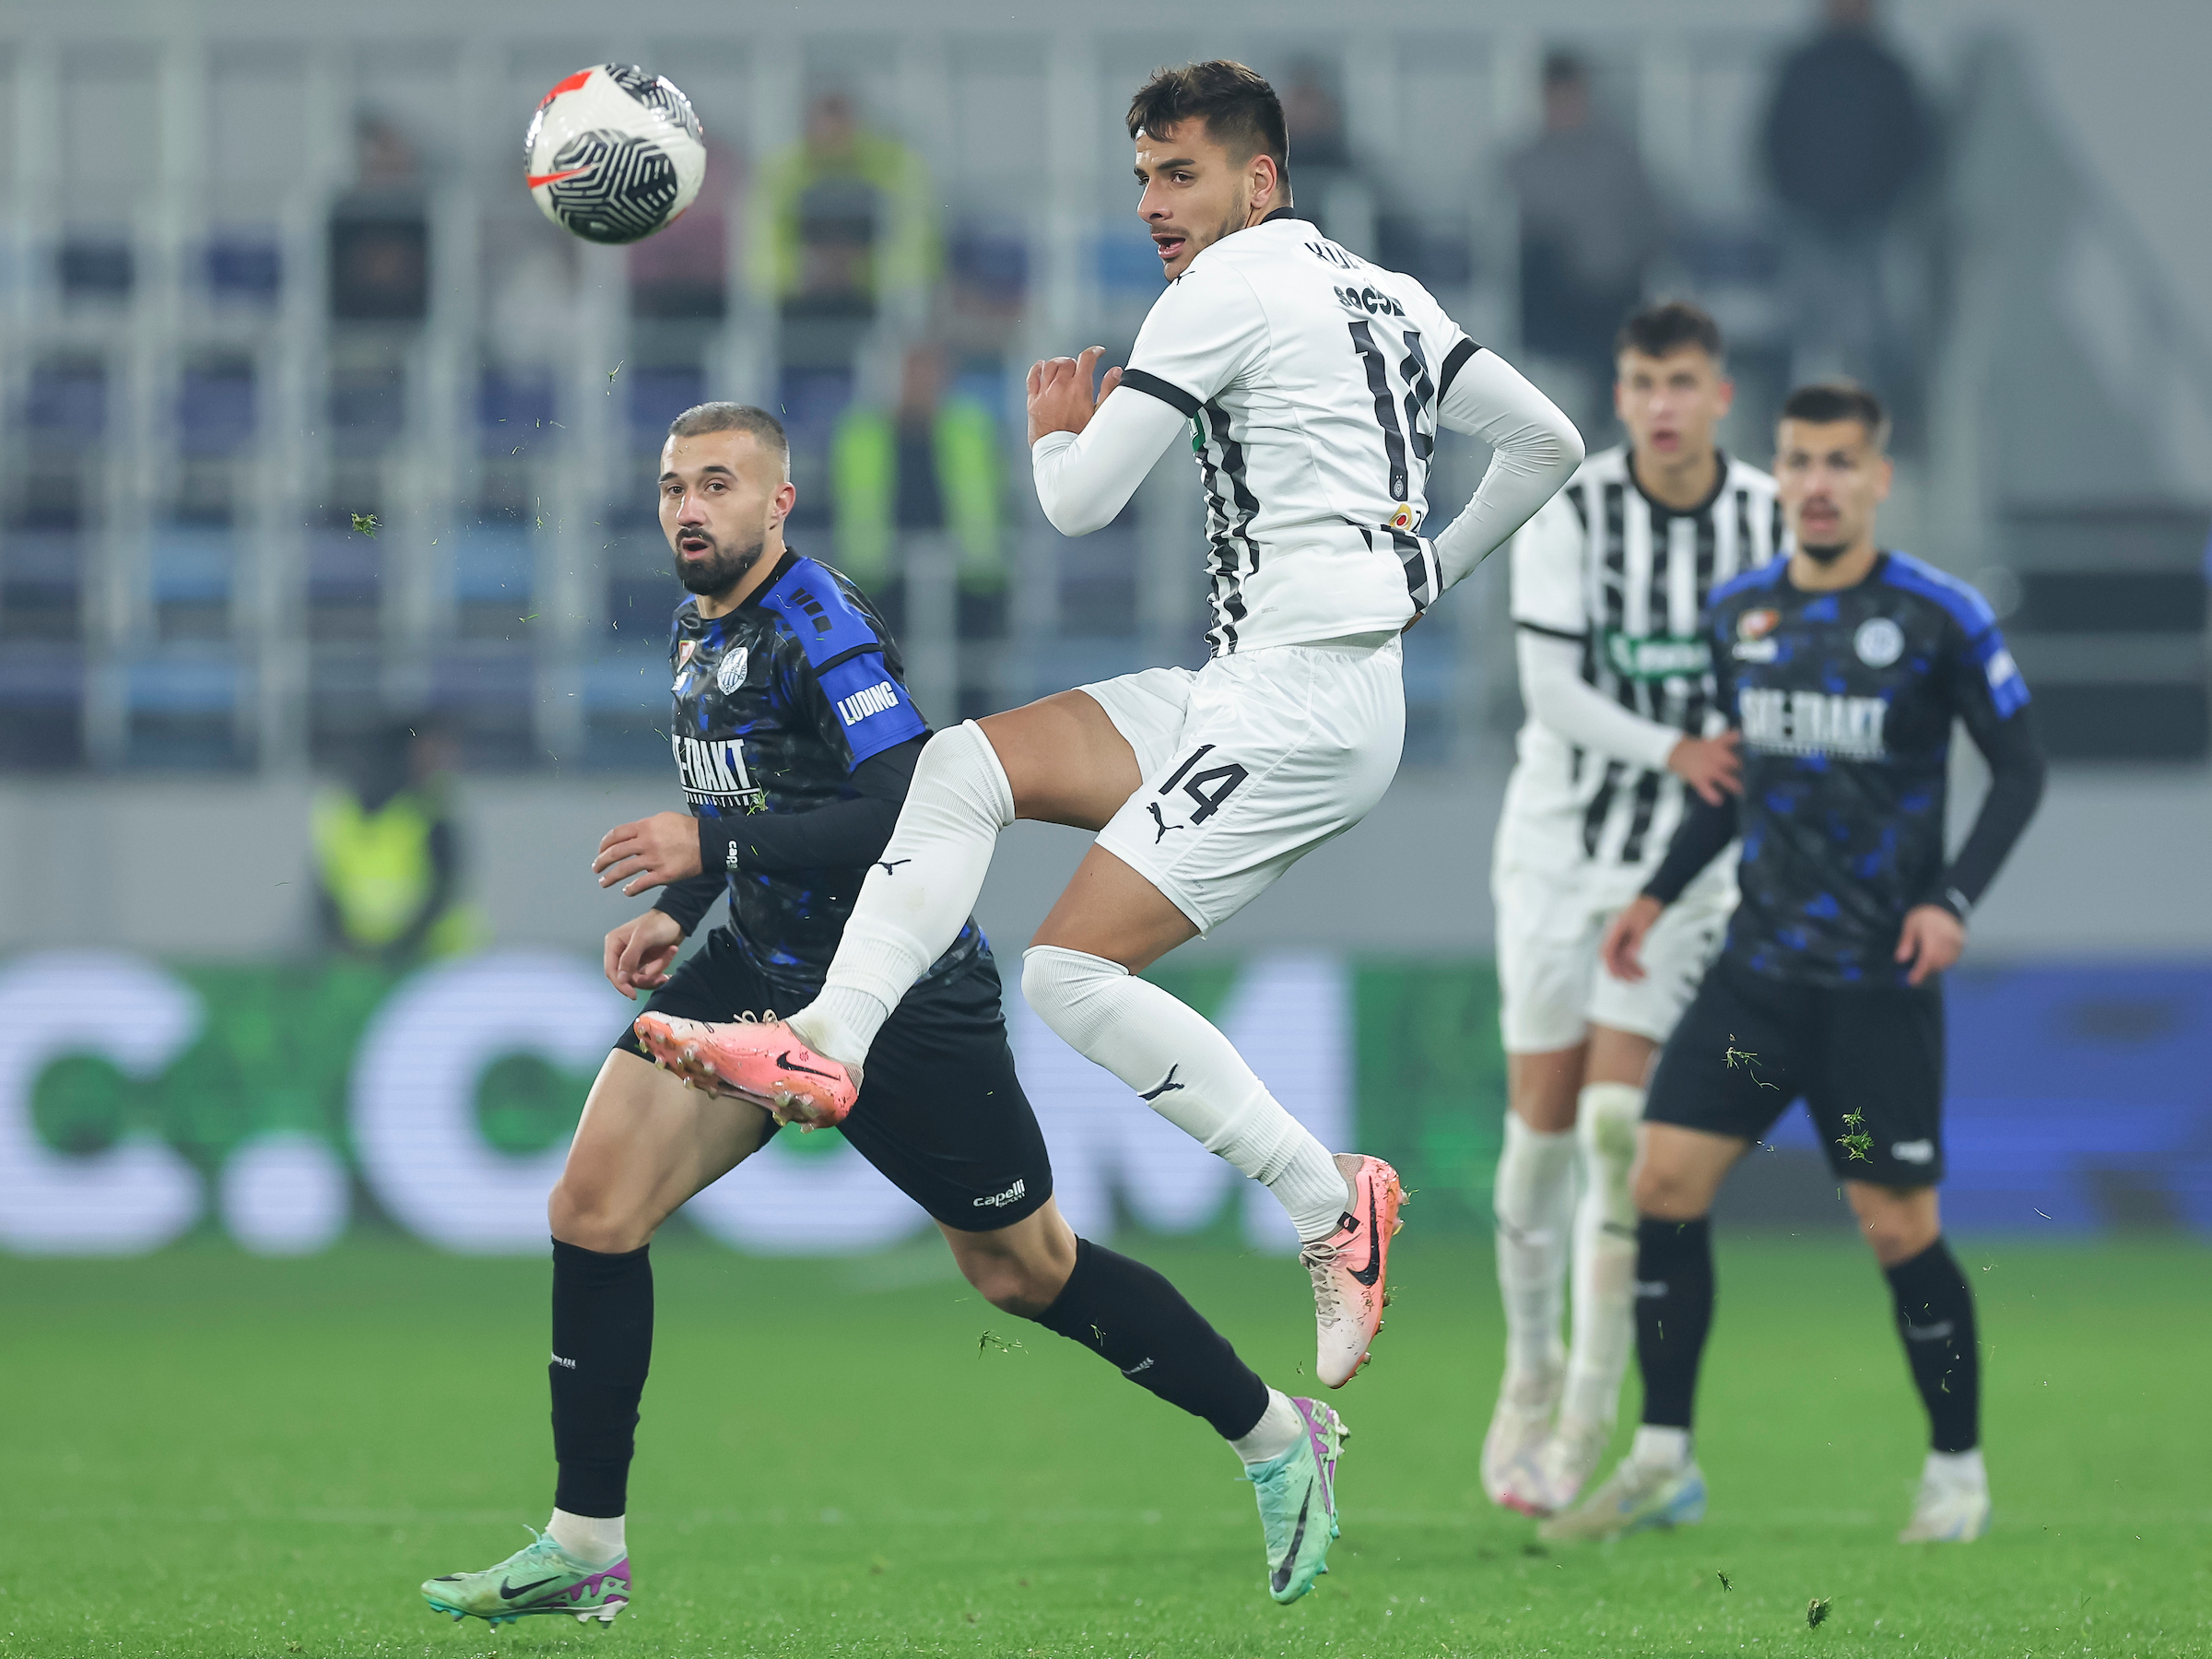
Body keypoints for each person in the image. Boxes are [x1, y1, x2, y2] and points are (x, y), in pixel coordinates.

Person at [630, 61, 1583, 1388]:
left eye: (1181, 174)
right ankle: (830, 1042)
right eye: (1143, 176)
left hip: (1299, 713)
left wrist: (1050, 436)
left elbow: (1080, 505)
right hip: (1256, 682)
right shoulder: (1391, 293)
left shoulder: (1222, 291)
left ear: (1260, 181)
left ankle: (1328, 1200)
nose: (1152, 203)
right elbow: (1548, 443)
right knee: (961, 767)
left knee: (1068, 977)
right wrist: (1425, 578)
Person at [420, 404, 1354, 1626]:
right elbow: (755, 794)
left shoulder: (820, 624)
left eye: (717, 484)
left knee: (1024, 1271)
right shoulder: (699, 625)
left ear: (778, 502)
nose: (689, 509)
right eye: (673, 487)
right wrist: (687, 905)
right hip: (756, 967)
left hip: (896, 995)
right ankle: (585, 1546)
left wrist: (708, 846)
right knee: (591, 1210)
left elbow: (904, 804)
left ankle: (1277, 1434)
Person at [1540, 382, 2045, 1546]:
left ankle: (1956, 1475)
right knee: (1660, 1184)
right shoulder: (1741, 616)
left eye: (1840, 463)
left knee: (1896, 1228)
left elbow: (2022, 770)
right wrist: (1656, 895)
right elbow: (1733, 787)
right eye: (1801, 461)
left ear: (1878, 479)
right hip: (1755, 988)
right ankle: (1663, 1461)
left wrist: (1954, 899)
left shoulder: (1939, 618)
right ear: (1782, 473)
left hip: (1875, 995)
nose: (1818, 484)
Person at [1483, 300, 1782, 1517]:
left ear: (1720, 396)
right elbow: (1550, 690)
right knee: (1540, 1134)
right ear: (1621, 395)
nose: (1663, 405)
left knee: (1616, 1130)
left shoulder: (1767, 521)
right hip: (1557, 850)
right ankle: (1530, 1367)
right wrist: (1676, 749)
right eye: (1644, 383)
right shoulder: (1574, 509)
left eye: (1683, 383)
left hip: (1684, 865)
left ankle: (1585, 1418)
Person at [1761, 0, 1931, 400]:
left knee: (1870, 333)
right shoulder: (1803, 67)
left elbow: (1914, 145)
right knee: (1805, 330)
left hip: (1869, 224)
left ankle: (1872, 414)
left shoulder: (1888, 71)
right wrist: (1792, 197)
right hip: (1808, 220)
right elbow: (1774, 139)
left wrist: (1887, 201)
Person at [1506, 53, 1666, 415]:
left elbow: (1653, 227)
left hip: (1615, 293)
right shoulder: (1523, 165)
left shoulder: (1618, 158)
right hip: (1554, 299)